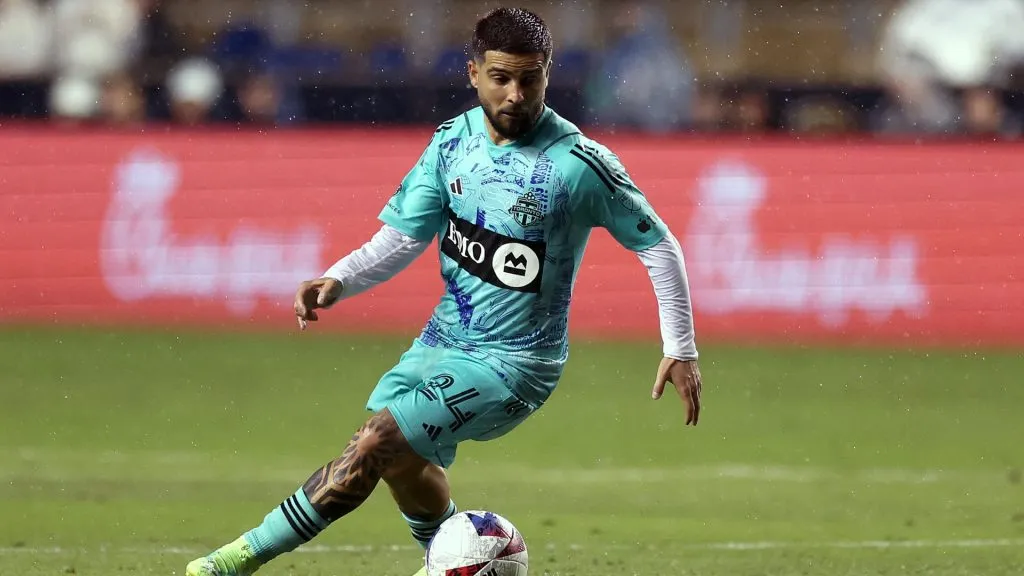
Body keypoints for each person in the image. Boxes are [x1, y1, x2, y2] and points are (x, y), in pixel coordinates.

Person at [185, 7, 703, 576]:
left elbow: (659, 245)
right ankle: (449, 563)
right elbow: (405, 237)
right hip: (442, 340)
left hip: (516, 362)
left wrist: (680, 346)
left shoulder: (578, 164)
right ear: (473, 72)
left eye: (530, 79)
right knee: (400, 462)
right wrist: (341, 278)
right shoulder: (451, 143)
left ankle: (238, 559)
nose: (515, 94)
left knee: (374, 442)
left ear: (547, 75)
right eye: (501, 77)